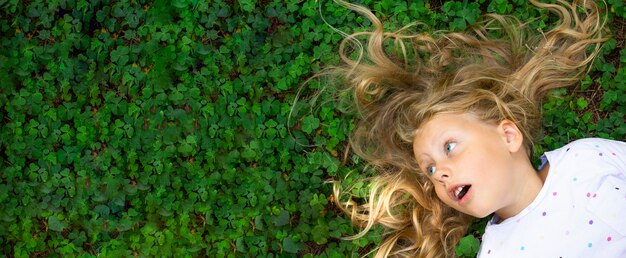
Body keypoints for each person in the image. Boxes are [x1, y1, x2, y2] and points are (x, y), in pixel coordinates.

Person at [326, 0, 626, 257]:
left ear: (508, 136)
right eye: (429, 170)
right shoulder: (496, 252)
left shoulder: (585, 159)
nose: (439, 174)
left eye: (449, 148)